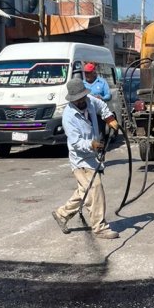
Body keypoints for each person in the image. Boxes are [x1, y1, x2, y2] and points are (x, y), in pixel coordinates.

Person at [51, 77, 120, 240]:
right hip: (81, 160)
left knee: (84, 191)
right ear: (73, 99)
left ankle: (61, 214)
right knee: (95, 188)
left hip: (93, 157)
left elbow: (102, 105)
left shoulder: (89, 101)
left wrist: (109, 118)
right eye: (79, 99)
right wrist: (91, 145)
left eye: (83, 97)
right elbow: (75, 142)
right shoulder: (69, 117)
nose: (82, 101)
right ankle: (100, 227)